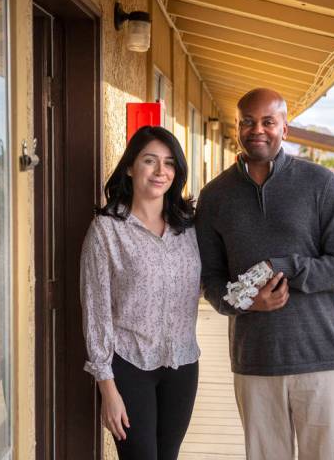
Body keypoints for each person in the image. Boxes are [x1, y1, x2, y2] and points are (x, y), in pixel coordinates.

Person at [195, 88, 334, 460]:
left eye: (268, 122)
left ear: (284, 128)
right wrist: (246, 302)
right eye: (248, 122)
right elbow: (210, 279)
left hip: (321, 355)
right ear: (237, 127)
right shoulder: (215, 196)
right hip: (255, 359)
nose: (258, 130)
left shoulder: (319, 184)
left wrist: (287, 265)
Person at [80, 125, 201, 460]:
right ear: (131, 167)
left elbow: (208, 282)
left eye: (169, 163)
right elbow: (96, 312)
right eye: (150, 161)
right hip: (129, 367)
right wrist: (107, 388)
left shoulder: (189, 227)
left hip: (183, 364)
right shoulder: (106, 231)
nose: (161, 171)